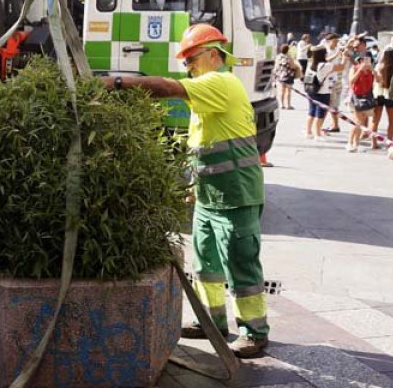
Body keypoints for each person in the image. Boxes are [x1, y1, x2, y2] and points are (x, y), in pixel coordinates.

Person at [104, 24, 269, 358]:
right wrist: (195, 188)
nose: (188, 68)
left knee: (241, 266)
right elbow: (206, 150)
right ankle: (213, 322)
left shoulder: (221, 82)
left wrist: (118, 82)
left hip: (237, 196)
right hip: (211, 197)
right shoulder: (207, 95)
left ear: (212, 54)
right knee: (207, 264)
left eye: (192, 59)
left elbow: (166, 88)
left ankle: (254, 332)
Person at [304, 46, 345, 140]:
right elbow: (341, 67)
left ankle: (308, 132)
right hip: (323, 92)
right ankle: (317, 134)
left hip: (311, 90)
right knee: (320, 114)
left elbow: (326, 60)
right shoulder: (326, 66)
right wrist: (344, 57)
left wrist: (336, 54)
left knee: (311, 112)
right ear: (323, 54)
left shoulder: (311, 63)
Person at [346, 53, 376, 152]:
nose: (366, 62)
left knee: (361, 121)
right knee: (357, 122)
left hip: (366, 98)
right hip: (356, 97)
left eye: (368, 60)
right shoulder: (354, 68)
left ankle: (356, 144)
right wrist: (360, 69)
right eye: (364, 60)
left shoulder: (371, 71)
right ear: (360, 60)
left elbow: (380, 80)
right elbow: (351, 81)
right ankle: (350, 143)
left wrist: (373, 70)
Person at [370, 47, 393, 150]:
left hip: (378, 94)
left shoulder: (379, 67)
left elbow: (376, 81)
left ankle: (373, 143)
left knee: (375, 120)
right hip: (390, 95)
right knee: (392, 121)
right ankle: (389, 143)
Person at [273, 44, 298, 110]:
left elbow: (276, 66)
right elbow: (292, 66)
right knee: (288, 91)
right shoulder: (289, 57)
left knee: (281, 91)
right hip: (288, 75)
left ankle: (281, 105)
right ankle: (288, 105)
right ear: (288, 50)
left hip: (280, 75)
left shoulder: (278, 56)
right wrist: (296, 67)